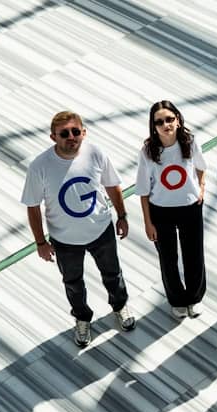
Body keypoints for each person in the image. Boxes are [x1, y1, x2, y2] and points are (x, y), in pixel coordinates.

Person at [22, 111, 136, 347]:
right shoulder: (39, 167)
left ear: (84, 132)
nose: (71, 137)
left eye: (76, 131)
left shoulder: (95, 152)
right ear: (53, 137)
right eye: (64, 133)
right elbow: (33, 207)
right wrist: (40, 243)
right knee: (73, 283)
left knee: (113, 273)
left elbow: (112, 185)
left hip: (101, 230)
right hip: (65, 240)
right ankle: (82, 318)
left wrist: (122, 215)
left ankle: (120, 305)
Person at [136, 100, 207, 320]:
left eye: (169, 119)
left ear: (177, 119)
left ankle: (194, 298)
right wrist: (148, 222)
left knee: (194, 255)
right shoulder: (148, 151)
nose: (166, 124)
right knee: (168, 258)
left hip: (190, 208)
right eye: (160, 121)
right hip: (161, 211)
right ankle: (177, 300)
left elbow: (201, 167)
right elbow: (143, 190)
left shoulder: (190, 141)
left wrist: (201, 189)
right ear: (153, 126)